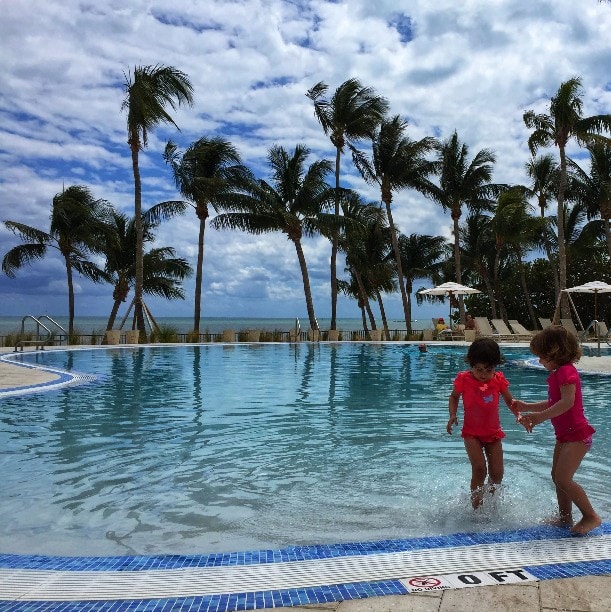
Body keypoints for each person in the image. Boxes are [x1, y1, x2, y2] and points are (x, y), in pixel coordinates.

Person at [512, 327, 601, 535]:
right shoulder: (559, 372)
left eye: (542, 357)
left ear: (555, 352)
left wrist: (538, 418)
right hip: (565, 435)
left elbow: (567, 403)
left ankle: (591, 516)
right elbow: (554, 402)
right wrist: (528, 406)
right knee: (556, 476)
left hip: (577, 435)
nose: (540, 361)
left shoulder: (567, 371)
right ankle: (564, 517)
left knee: (563, 478)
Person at [447, 338, 518, 509]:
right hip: (472, 434)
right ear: (471, 364)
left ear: (496, 366)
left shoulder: (498, 380)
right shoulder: (463, 379)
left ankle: (490, 505)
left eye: (489, 369)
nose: (483, 374)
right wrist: (452, 415)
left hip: (493, 433)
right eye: (478, 369)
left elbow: (510, 401)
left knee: (497, 473)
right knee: (479, 470)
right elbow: (454, 396)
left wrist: (519, 415)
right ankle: (476, 508)